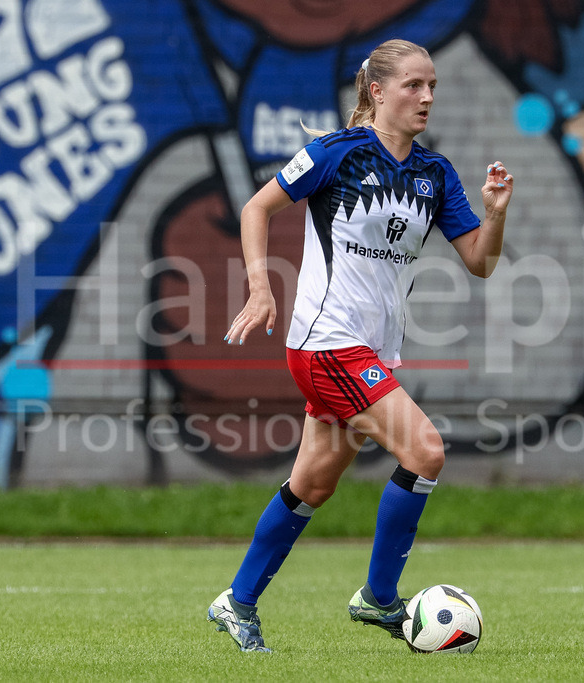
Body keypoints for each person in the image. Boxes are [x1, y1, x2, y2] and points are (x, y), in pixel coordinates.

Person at [207, 38, 514, 653]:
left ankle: (236, 602)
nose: (426, 96)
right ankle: (377, 598)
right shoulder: (336, 154)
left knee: (312, 487)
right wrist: (261, 289)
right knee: (425, 450)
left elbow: (480, 262)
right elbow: (255, 208)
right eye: (413, 85)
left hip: (372, 351)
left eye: (432, 86)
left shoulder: (435, 174)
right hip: (327, 344)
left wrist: (495, 212)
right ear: (377, 91)